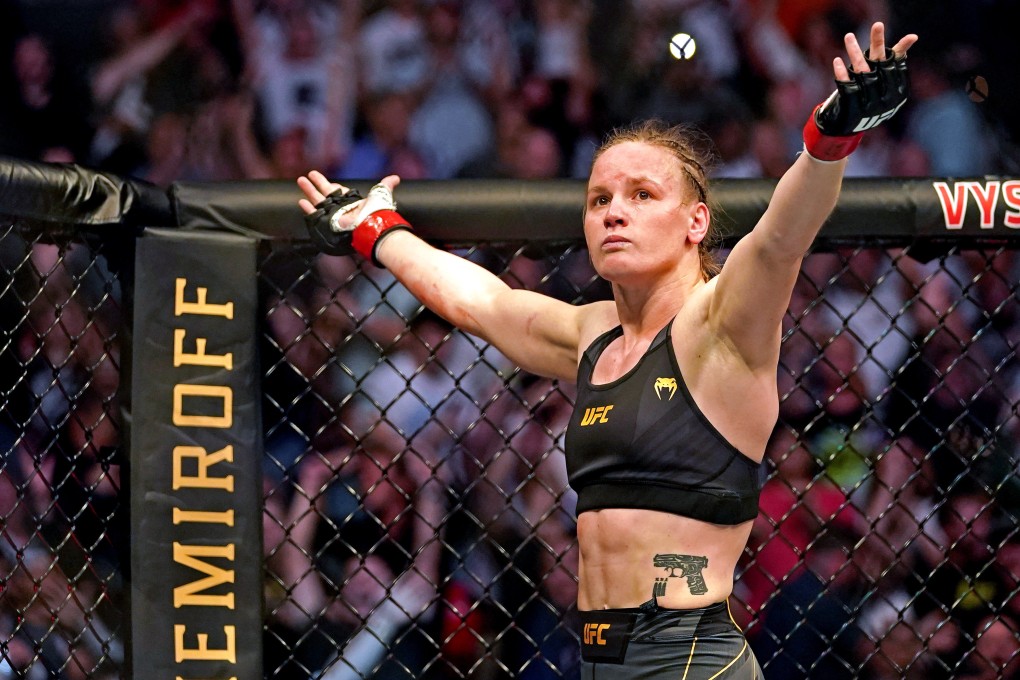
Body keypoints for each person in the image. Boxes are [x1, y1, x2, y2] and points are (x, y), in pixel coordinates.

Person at [297, 21, 916, 678]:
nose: (613, 212)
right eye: (600, 199)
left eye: (642, 195)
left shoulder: (723, 320)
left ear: (695, 222)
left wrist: (830, 140)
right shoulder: (592, 335)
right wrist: (374, 230)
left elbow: (780, 238)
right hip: (599, 654)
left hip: (687, 655)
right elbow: (478, 301)